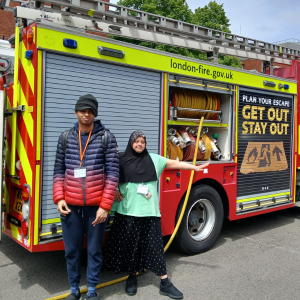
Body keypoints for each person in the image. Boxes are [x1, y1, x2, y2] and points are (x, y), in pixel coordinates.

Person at [104, 130, 209, 299]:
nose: (139, 144)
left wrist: (194, 167)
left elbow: (175, 164)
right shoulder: (121, 159)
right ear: (131, 143)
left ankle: (164, 282)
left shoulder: (154, 159)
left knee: (156, 248)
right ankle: (131, 277)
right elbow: (107, 173)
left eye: (142, 142)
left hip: (149, 212)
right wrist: (114, 188)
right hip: (127, 212)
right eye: (136, 141)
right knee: (131, 247)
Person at [53, 94, 119, 300]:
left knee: (93, 251)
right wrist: (59, 198)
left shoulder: (106, 137)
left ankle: (91, 290)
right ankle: (74, 290)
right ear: (76, 112)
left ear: (95, 114)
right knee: (71, 252)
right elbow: (58, 171)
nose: (86, 114)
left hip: (95, 209)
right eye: (83, 110)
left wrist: (105, 206)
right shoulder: (65, 137)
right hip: (70, 208)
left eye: (90, 111)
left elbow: (113, 174)